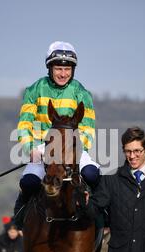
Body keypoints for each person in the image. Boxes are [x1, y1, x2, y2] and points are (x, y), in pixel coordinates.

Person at [13, 41, 99, 229]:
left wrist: (72, 150)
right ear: (50, 68)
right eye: (59, 68)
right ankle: (19, 219)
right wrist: (31, 149)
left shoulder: (82, 93)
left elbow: (87, 128)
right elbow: (24, 124)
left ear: (73, 70)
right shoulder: (34, 90)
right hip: (43, 148)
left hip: (73, 147)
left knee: (92, 175)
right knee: (28, 183)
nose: (63, 73)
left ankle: (103, 219)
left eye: (67, 69)